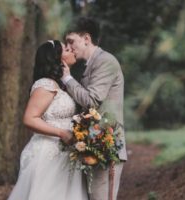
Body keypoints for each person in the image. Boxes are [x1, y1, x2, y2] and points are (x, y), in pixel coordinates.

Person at [7, 40, 88, 200]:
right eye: (66, 49)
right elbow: (30, 119)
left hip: (65, 153)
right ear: (57, 58)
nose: (71, 49)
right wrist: (61, 133)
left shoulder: (61, 85)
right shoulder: (46, 84)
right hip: (49, 153)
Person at [62, 17, 127, 200]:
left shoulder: (106, 61)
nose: (69, 47)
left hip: (108, 148)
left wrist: (67, 78)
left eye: (71, 41)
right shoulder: (88, 65)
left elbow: (91, 101)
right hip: (92, 147)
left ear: (86, 39)